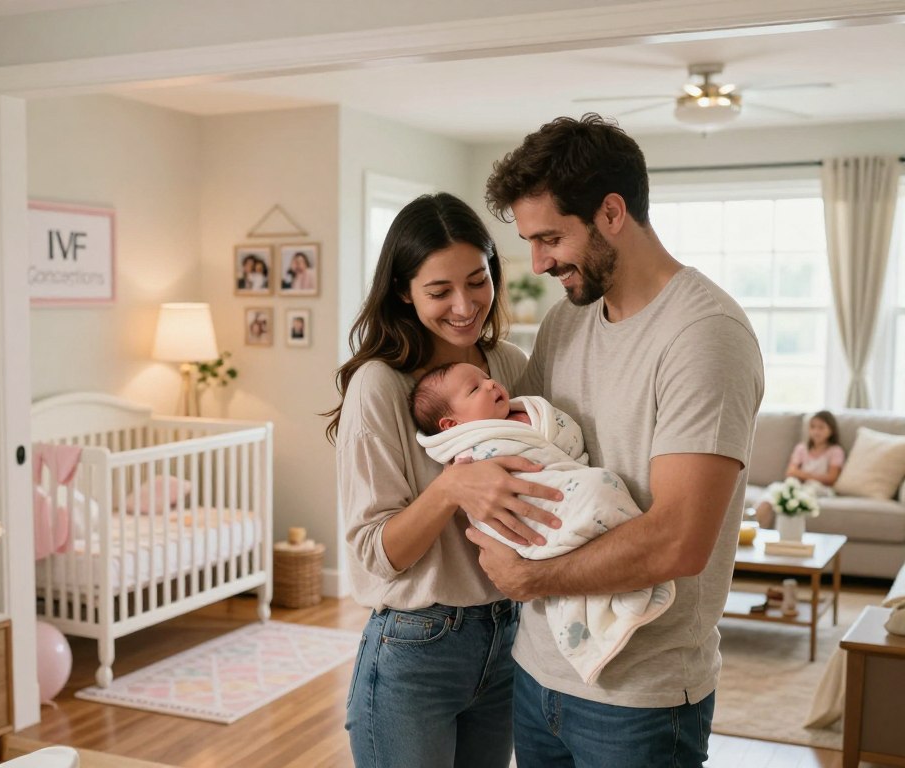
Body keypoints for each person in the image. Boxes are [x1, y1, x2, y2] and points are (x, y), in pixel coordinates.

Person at [470, 114, 764, 767]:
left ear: (610, 213)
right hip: (538, 672)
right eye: (530, 241)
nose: (538, 262)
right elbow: (531, 461)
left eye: (550, 238)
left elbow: (680, 540)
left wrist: (529, 577)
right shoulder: (563, 324)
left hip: (641, 701)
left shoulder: (704, 335)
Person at [324, 192, 563, 768]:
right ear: (404, 291)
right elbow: (375, 553)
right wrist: (452, 487)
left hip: (510, 637)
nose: (464, 305)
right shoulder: (379, 386)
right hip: (416, 648)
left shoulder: (507, 364)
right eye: (439, 291)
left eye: (478, 281)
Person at [410, 361, 676, 686]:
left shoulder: (526, 412)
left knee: (598, 488)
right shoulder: (467, 451)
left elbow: (568, 443)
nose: (491, 385)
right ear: (452, 423)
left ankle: (619, 564)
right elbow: (475, 491)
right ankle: (618, 577)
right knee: (600, 489)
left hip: (562, 479)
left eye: (487, 378)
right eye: (475, 388)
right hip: (525, 513)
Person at [753, 410, 844, 528]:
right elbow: (790, 472)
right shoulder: (802, 448)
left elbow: (831, 478)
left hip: (819, 489)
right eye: (813, 427)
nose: (816, 431)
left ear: (831, 430)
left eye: (821, 427)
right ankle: (756, 524)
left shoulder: (835, 451)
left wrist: (802, 474)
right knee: (774, 490)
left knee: (805, 491)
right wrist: (809, 476)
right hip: (799, 486)